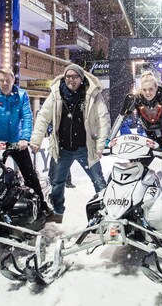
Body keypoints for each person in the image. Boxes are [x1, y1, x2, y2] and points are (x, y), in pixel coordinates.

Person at [30, 64, 110, 223]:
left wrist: (100, 145)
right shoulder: (56, 94)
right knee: (57, 183)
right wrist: (36, 140)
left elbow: (103, 120)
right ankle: (58, 213)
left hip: (85, 148)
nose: (71, 79)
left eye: (74, 77)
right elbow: (43, 117)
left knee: (98, 180)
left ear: (81, 78)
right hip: (63, 149)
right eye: (68, 76)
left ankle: (107, 211)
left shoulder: (91, 94)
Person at [0, 68, 50, 214]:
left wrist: (24, 138)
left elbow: (27, 118)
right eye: (1, 80)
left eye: (7, 81)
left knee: (30, 176)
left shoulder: (22, 95)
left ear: (13, 81)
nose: (5, 83)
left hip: (17, 143)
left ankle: (42, 206)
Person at [109, 71, 162, 197]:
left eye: (151, 89)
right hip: (150, 137)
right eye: (145, 89)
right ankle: (132, 199)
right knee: (136, 167)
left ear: (156, 87)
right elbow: (121, 118)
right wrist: (109, 140)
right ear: (140, 89)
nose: (148, 93)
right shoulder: (134, 99)